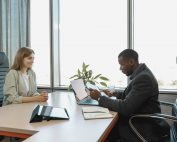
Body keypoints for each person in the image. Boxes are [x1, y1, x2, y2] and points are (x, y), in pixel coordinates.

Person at [90, 49, 169, 142]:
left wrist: (100, 97)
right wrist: (114, 94)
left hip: (141, 127)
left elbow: (125, 108)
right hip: (138, 119)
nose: (120, 68)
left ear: (131, 62)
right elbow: (132, 96)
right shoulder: (141, 74)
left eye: (121, 64)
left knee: (101, 131)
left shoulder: (144, 78)